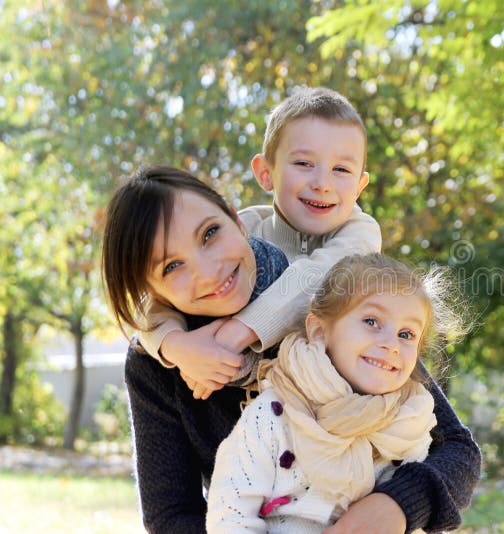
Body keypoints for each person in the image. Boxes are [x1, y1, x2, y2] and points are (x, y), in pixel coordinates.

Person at [102, 166, 481, 533]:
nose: (209, 270)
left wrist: (397, 505)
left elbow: (457, 450)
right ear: (152, 291)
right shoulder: (154, 364)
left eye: (210, 233)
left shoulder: (323, 303)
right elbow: (171, 515)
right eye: (171, 266)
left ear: (237, 219)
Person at [137, 86, 381, 399]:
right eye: (304, 164)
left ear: (359, 186)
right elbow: (155, 294)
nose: (322, 184)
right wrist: (174, 345)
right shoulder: (243, 228)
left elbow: (319, 277)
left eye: (342, 170)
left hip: (340, 401)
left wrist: (237, 333)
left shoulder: (360, 233)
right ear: (265, 173)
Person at [207, 254, 466, 533]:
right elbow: (230, 516)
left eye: (406, 335)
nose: (392, 344)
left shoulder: (410, 421)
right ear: (319, 331)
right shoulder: (275, 414)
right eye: (371, 321)